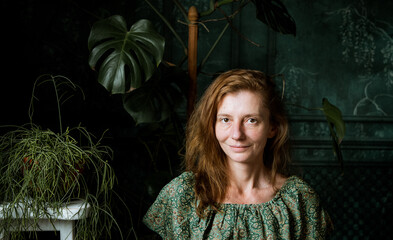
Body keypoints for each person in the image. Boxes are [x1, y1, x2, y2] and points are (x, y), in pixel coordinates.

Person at [143, 69, 333, 239]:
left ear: (272, 128)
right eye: (225, 119)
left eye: (251, 120)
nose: (236, 134)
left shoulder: (298, 198)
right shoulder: (182, 194)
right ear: (212, 126)